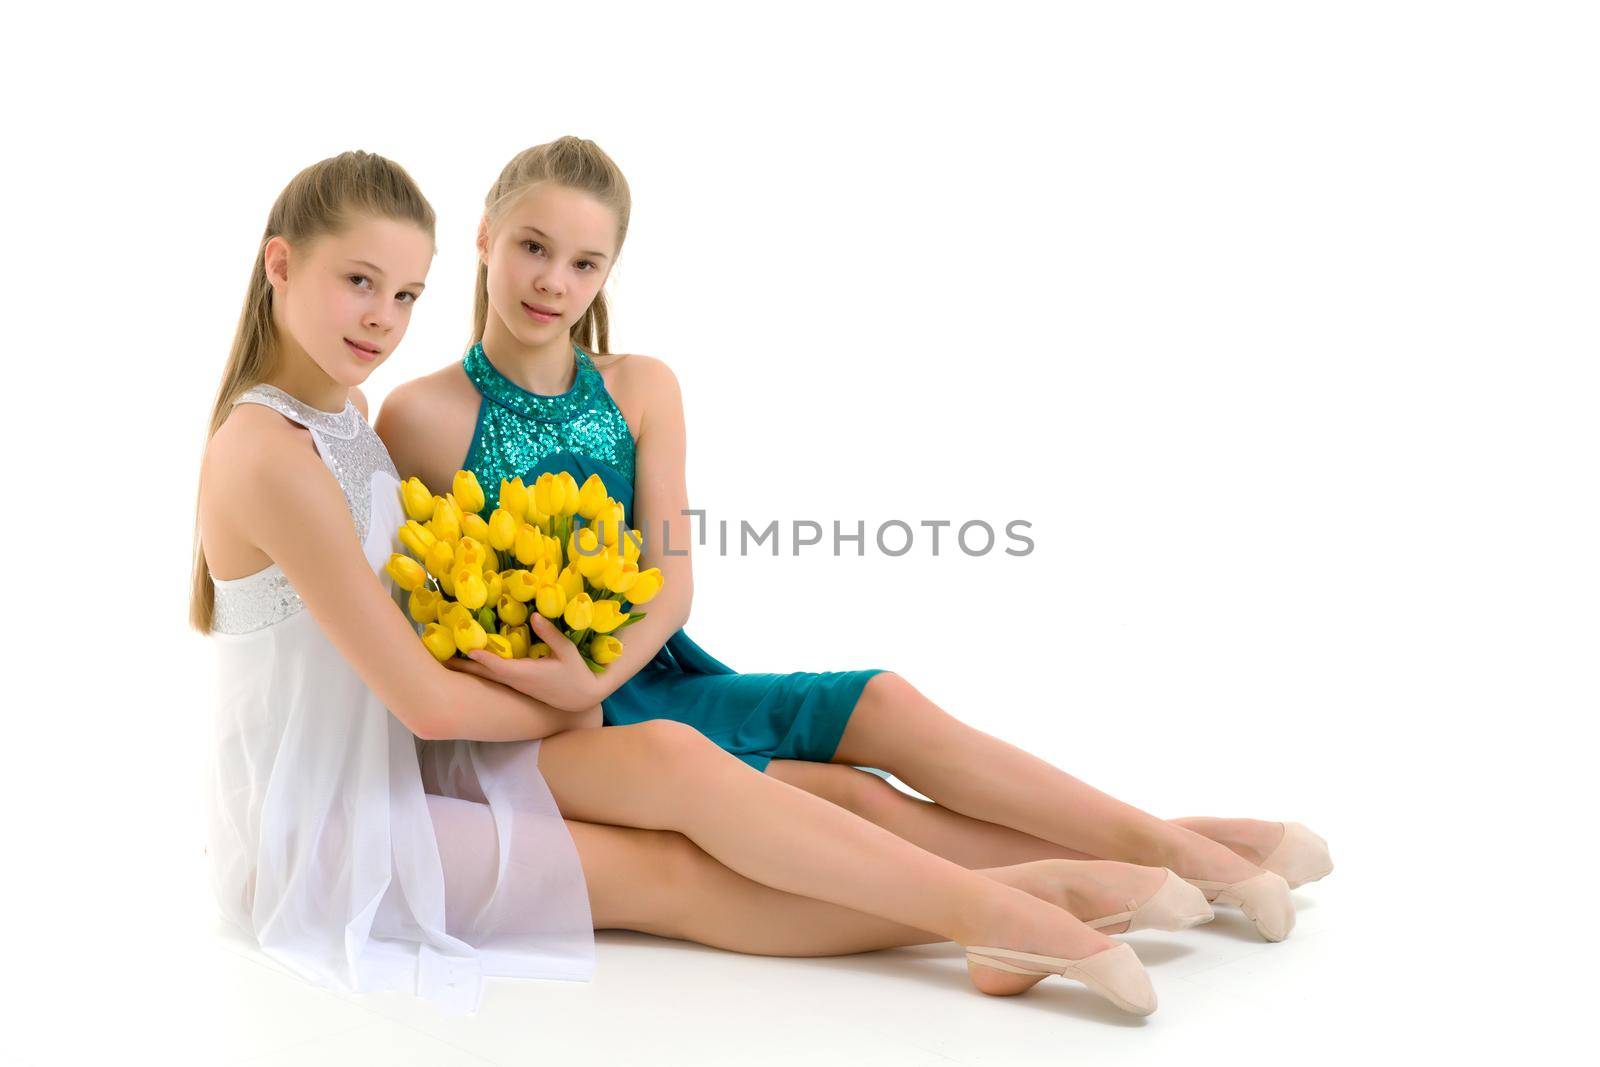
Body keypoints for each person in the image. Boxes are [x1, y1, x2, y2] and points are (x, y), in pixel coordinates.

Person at [195, 149, 1200, 1018]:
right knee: (678, 876)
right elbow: (414, 692)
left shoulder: (346, 420)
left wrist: (560, 679)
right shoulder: (270, 451)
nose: (383, 316)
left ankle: (1023, 901)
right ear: (280, 264)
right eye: (357, 282)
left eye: (405, 294)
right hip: (333, 826)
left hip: (424, 759)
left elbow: (428, 625)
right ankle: (1010, 911)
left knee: (679, 755)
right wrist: (572, 700)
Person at [376, 138, 1334, 951]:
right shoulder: (419, 416)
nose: (554, 281)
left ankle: (1180, 851)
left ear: (608, 273)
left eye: (584, 264)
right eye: (534, 248)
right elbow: (421, 622)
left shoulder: (641, 386)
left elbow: (671, 582)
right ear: (485, 239)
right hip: (558, 723)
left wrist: (601, 670)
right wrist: (565, 691)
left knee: (883, 698)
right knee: (858, 801)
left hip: (648, 669)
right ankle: (1133, 876)